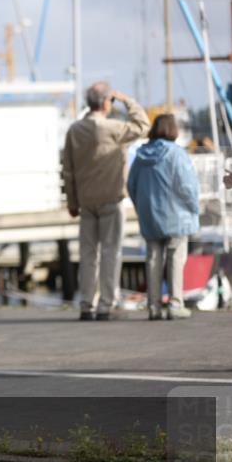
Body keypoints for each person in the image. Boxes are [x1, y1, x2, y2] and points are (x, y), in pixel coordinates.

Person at [62, 83, 150, 320]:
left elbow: (67, 169)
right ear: (105, 103)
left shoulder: (74, 130)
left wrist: (72, 201)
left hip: (86, 201)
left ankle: (86, 304)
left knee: (88, 253)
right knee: (111, 252)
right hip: (111, 198)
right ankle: (105, 305)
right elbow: (143, 125)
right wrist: (126, 99)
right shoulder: (112, 128)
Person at [127, 114, 200, 320]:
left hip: (150, 216)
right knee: (176, 256)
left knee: (153, 258)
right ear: (173, 129)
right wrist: (194, 208)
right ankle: (176, 303)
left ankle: (154, 306)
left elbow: (131, 185)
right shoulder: (177, 154)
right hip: (177, 216)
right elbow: (187, 186)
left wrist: (141, 207)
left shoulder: (141, 156)